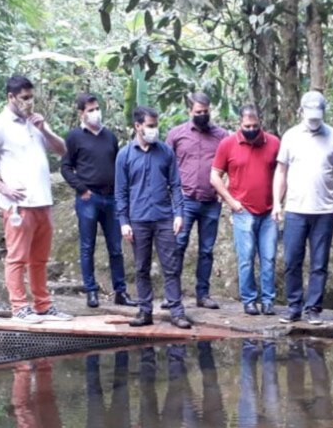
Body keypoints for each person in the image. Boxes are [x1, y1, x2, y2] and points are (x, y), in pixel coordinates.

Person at [0, 75, 71, 322]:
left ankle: (43, 305)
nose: (29, 102)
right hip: (18, 204)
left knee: (40, 258)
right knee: (17, 257)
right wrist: (1, 187)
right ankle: (19, 307)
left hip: (43, 201)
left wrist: (43, 128)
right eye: (24, 98)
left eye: (31, 97)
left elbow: (63, 150)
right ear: (11, 97)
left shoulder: (35, 123)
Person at [272, 91, 333, 325]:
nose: (314, 121)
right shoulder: (291, 136)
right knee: (292, 261)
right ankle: (294, 307)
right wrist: (277, 202)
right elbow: (281, 171)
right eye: (310, 116)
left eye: (318, 117)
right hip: (296, 209)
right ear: (302, 111)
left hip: (324, 210)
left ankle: (313, 308)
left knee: (319, 263)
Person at [115, 105, 192, 329]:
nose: (154, 130)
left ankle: (177, 312)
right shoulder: (125, 155)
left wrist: (179, 214)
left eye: (155, 125)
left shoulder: (166, 152)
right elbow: (120, 192)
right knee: (141, 268)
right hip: (138, 219)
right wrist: (123, 222)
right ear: (137, 126)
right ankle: (144, 311)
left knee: (171, 266)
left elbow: (176, 185)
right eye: (150, 126)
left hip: (164, 218)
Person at [60, 92, 137, 309]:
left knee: (116, 248)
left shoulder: (110, 137)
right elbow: (65, 167)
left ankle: (120, 292)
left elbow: (118, 167)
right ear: (81, 113)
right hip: (89, 198)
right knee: (87, 246)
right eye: (90, 110)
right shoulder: (74, 137)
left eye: (97, 108)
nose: (95, 113)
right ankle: (91, 291)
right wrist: (81, 189)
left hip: (111, 198)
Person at [211, 104, 281, 316]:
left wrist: (279, 202)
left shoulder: (274, 143)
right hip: (243, 211)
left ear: (261, 123)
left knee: (268, 257)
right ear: (239, 125)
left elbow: (282, 175)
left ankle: (268, 301)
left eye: (255, 126)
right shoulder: (228, 144)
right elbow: (214, 176)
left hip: (268, 211)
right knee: (246, 257)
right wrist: (231, 201)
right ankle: (249, 300)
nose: (251, 129)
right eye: (247, 126)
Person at [166, 92, 228, 309]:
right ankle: (172, 295)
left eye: (205, 111)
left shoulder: (222, 135)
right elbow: (166, 164)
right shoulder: (176, 135)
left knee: (206, 250)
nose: (203, 115)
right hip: (184, 200)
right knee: (178, 246)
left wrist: (225, 189)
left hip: (211, 201)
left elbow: (231, 164)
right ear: (189, 112)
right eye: (198, 112)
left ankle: (203, 294)